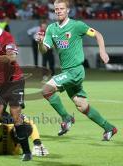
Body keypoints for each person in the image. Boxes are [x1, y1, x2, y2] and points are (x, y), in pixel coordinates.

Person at [35, 0, 117, 140]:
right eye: (56, 9)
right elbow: (44, 51)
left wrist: (102, 52)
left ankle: (66, 118)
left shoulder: (77, 25)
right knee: (82, 106)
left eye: (61, 8)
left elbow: (98, 34)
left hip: (75, 71)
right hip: (66, 72)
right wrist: (40, 43)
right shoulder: (51, 29)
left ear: (68, 10)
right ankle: (109, 128)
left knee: (46, 89)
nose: (59, 11)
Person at [0, 11, 32, 161]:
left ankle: (27, 152)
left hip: (14, 80)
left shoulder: (6, 37)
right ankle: (21, 123)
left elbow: (12, 57)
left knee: (15, 114)